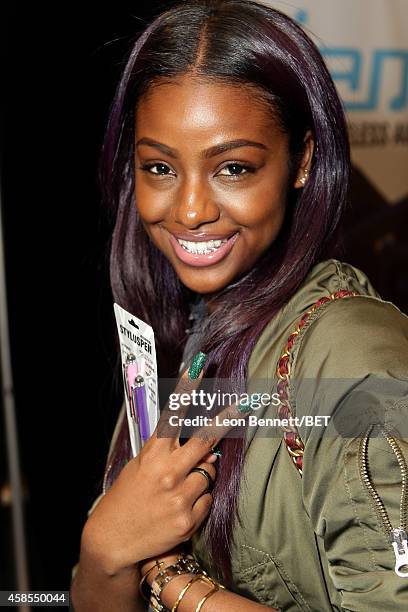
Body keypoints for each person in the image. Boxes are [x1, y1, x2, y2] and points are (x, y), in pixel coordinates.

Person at [70, 1, 408, 610]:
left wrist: (171, 577)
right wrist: (103, 548)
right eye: (159, 167)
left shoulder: (353, 359)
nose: (191, 208)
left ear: (302, 160)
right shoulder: (177, 340)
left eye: (233, 167)